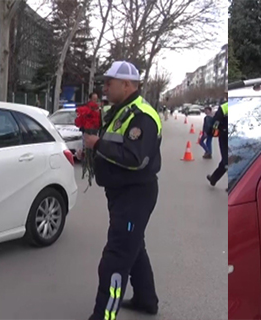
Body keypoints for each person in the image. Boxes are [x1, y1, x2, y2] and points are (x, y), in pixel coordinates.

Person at [83, 61, 162, 320]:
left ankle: (104, 316)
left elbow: (135, 157)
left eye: (109, 82)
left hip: (135, 196)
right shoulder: (121, 110)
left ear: (126, 84)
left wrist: (97, 146)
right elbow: (112, 143)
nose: (104, 87)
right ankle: (145, 300)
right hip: (121, 194)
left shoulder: (142, 116)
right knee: (134, 247)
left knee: (115, 259)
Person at [207, 91, 228, 188]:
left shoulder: (224, 107)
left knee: (226, 160)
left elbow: (216, 122)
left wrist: (212, 131)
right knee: (227, 160)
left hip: (224, 135)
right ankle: (214, 178)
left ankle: (234, 184)